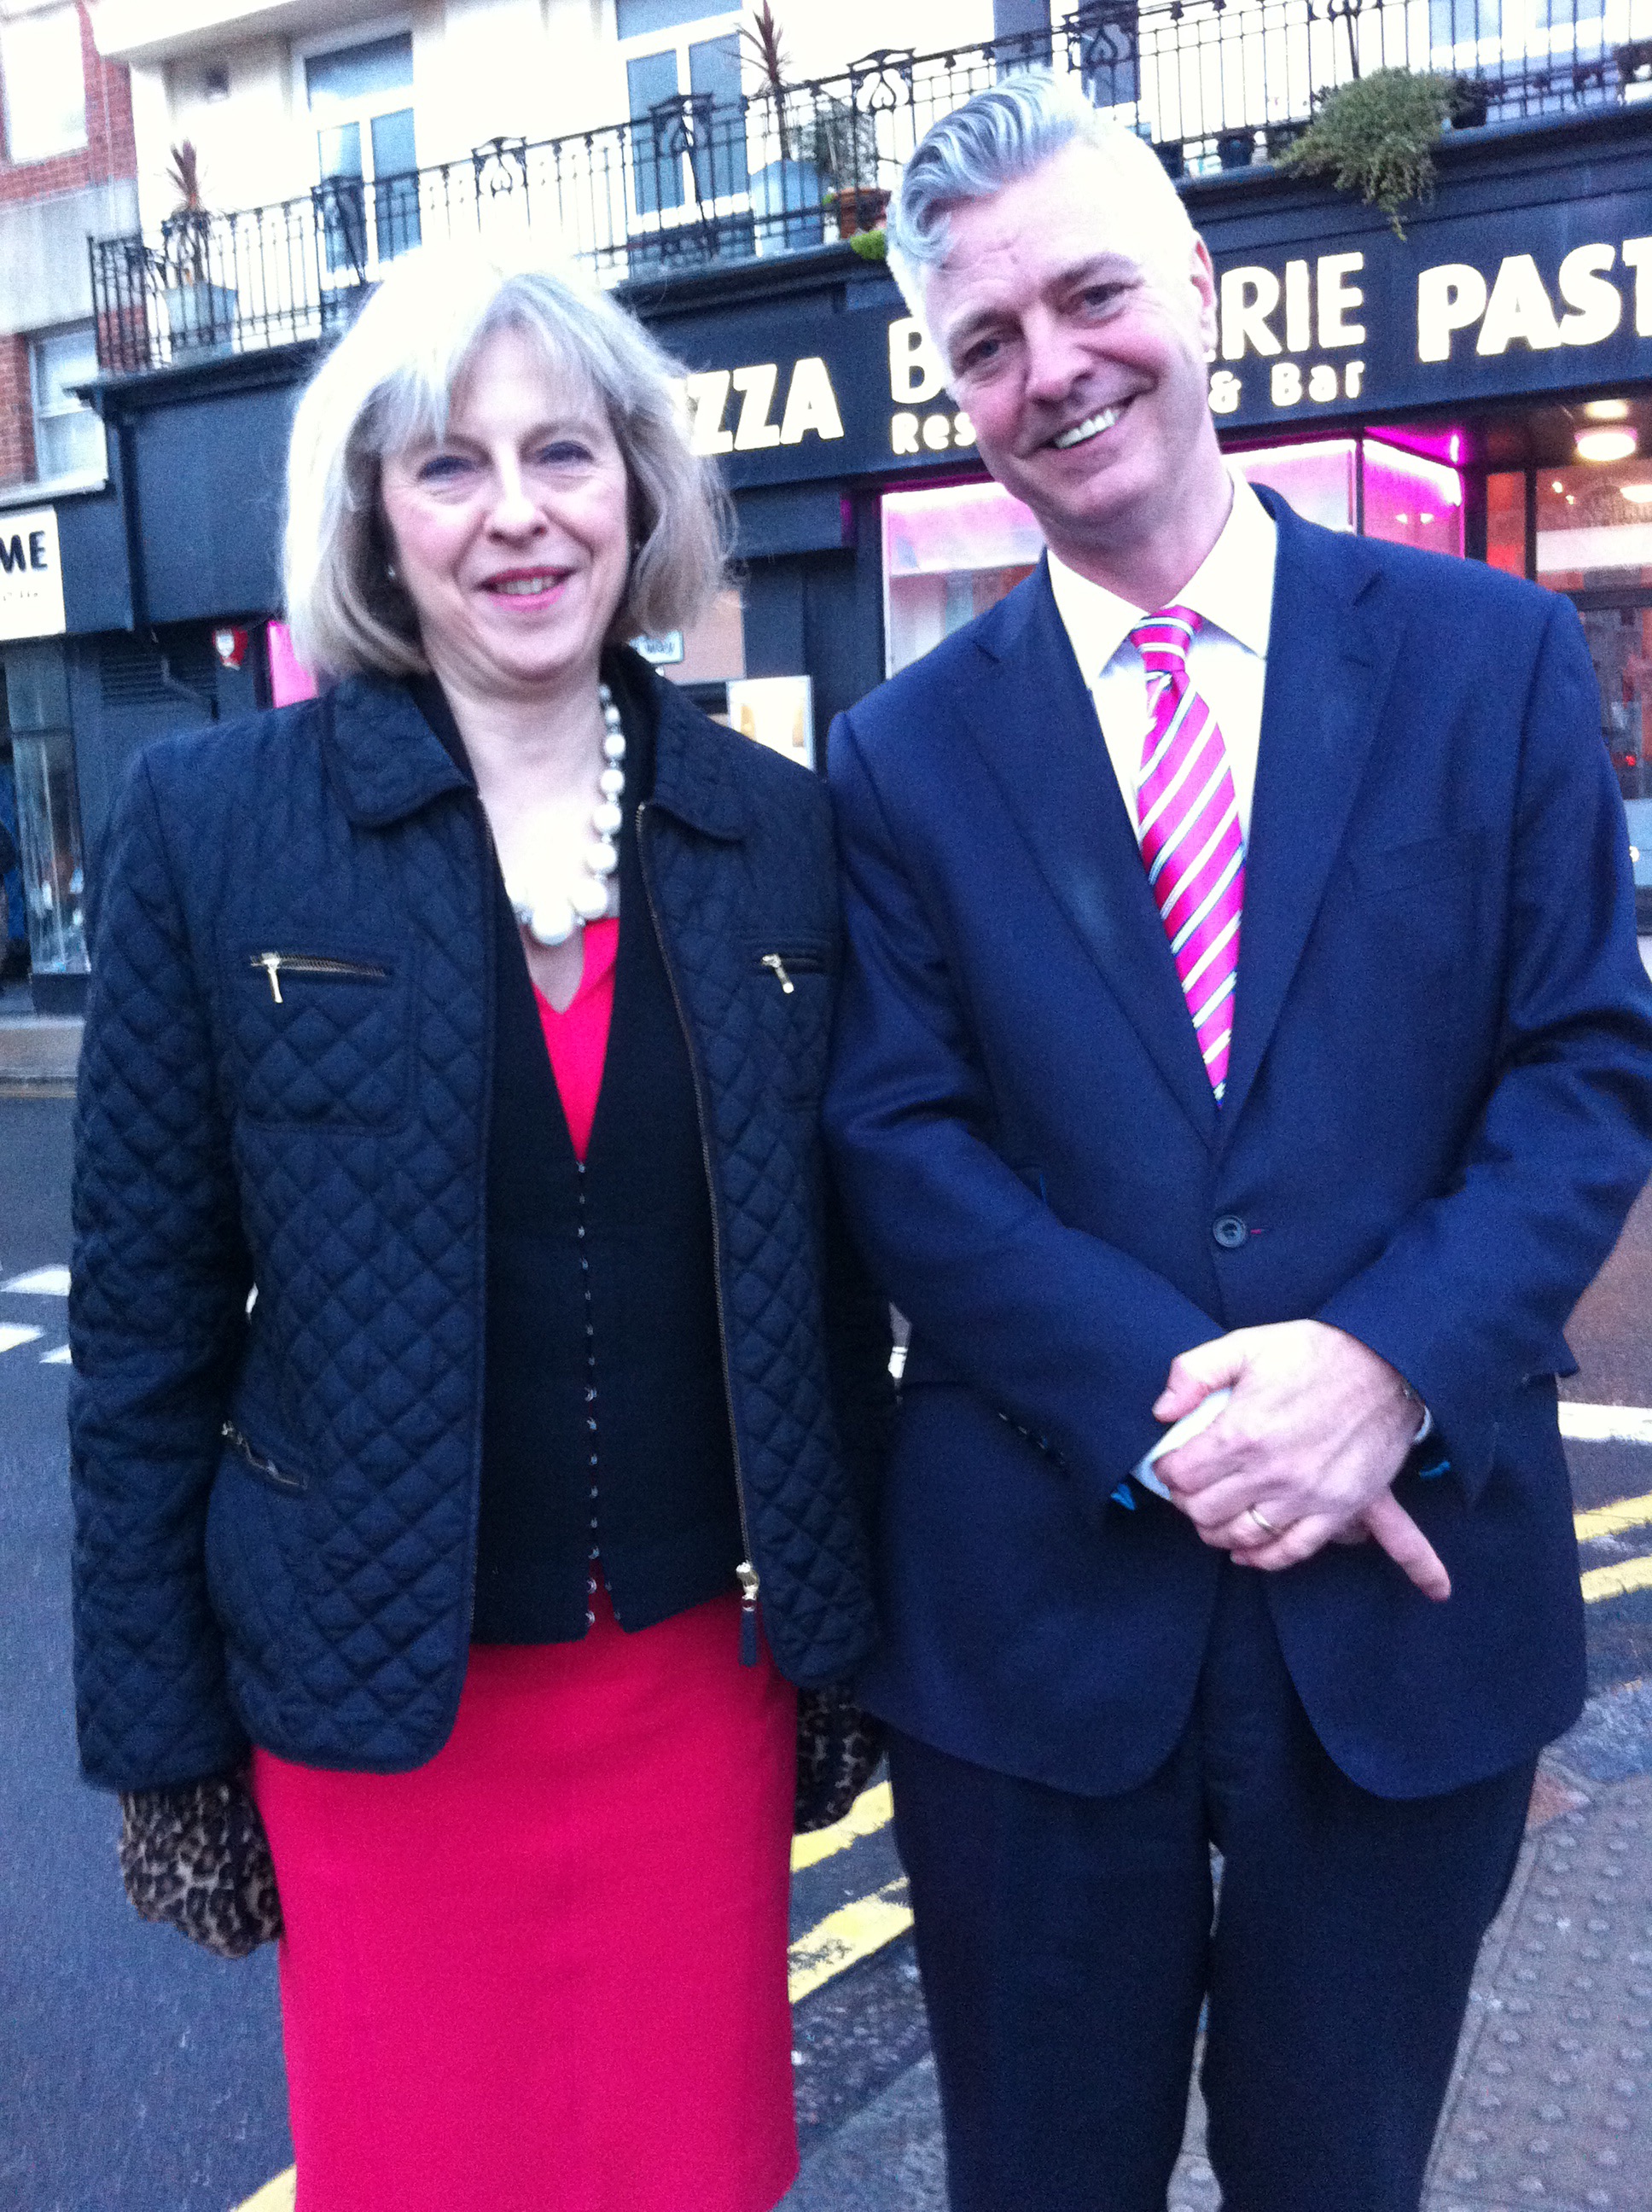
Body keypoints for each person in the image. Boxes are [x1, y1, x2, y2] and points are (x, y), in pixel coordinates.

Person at [823, 74, 1652, 2212]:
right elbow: (899, 1143)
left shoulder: (1487, 659)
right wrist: (1185, 1413)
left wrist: (1379, 1367)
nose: (1050, 368)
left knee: (1334, 2178)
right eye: (985, 342)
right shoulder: (898, 758)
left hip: (1402, 1608)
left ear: (1198, 290)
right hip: (1036, 1633)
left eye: (1090, 295)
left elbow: (1583, 1068)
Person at [69, 246, 885, 2212]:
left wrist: (851, 1634)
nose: (515, 513)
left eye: (561, 453)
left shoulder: (775, 828)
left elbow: (834, 1294)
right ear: (374, 515)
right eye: (447, 465)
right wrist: (164, 1743)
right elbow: (147, 1340)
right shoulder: (212, 825)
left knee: (685, 2167)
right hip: (379, 1711)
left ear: (638, 486)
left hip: (695, 1689)